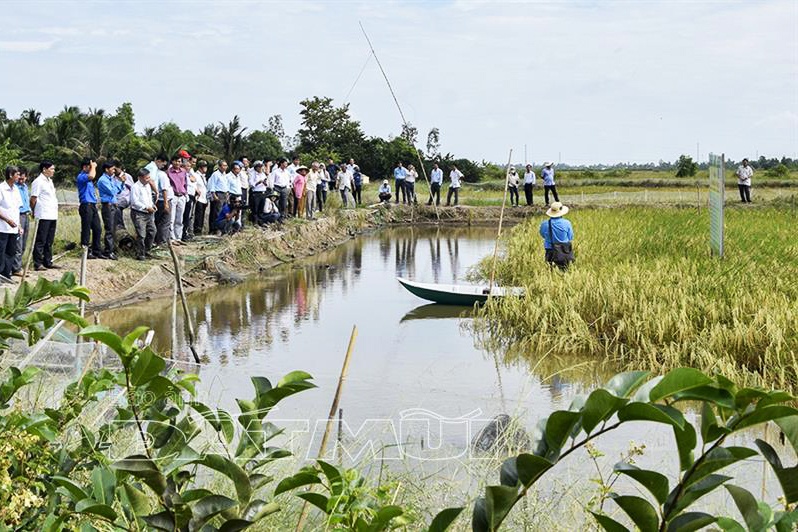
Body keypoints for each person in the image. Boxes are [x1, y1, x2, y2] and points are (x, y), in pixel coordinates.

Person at [30, 161, 59, 271]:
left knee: (49, 240)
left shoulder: (49, 181)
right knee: (41, 240)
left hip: (52, 214)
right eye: (51, 169)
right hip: (43, 214)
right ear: (44, 169)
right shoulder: (38, 182)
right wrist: (34, 211)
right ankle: (37, 263)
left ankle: (48, 261)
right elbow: (33, 199)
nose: (53, 171)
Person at [76, 158, 103, 259]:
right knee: (86, 229)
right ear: (84, 167)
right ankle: (85, 250)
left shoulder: (89, 180)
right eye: (89, 167)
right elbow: (91, 175)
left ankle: (96, 250)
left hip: (92, 205)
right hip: (85, 205)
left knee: (97, 228)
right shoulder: (81, 176)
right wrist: (94, 167)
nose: (92, 168)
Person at [97, 160, 123, 259]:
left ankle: (111, 249)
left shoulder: (112, 179)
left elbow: (119, 190)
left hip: (113, 205)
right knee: (109, 229)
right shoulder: (103, 180)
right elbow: (112, 192)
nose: (114, 171)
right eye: (112, 169)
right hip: (108, 205)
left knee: (113, 228)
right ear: (106, 169)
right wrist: (119, 182)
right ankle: (108, 251)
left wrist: (121, 182)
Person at [0, 166, 22, 281]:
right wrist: (7, 220)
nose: (19, 177)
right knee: (1, 251)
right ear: (10, 175)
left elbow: (16, 209)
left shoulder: (16, 189)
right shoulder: (1, 188)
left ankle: (6, 275)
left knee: (11, 251)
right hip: (2, 227)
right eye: (17, 174)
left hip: (13, 228)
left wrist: (19, 225)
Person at [130, 168, 157, 261]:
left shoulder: (148, 186)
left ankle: (147, 250)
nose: (149, 180)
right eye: (147, 178)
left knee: (152, 231)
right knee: (141, 234)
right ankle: (140, 253)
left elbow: (149, 198)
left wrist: (152, 205)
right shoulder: (135, 187)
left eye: (149, 177)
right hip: (139, 213)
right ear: (140, 178)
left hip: (148, 213)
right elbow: (134, 202)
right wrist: (146, 207)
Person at [539, 201, 574, 270]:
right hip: (564, 250)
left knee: (550, 269)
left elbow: (542, 235)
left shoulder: (544, 224)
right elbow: (570, 237)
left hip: (550, 249)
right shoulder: (566, 223)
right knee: (564, 269)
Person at [11, 167, 31, 275]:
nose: (21, 180)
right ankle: (16, 268)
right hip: (19, 215)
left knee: (24, 242)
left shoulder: (25, 187)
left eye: (23, 178)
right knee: (18, 242)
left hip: (26, 214)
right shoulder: (15, 187)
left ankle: (19, 265)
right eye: (20, 178)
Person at [167, 154, 188, 242]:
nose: (178, 163)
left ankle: (178, 237)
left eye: (179, 161)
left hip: (181, 196)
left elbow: (185, 183)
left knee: (179, 218)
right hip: (173, 196)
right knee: (172, 218)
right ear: (172, 161)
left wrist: (185, 193)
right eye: (176, 161)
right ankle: (172, 237)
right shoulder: (168, 172)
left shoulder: (183, 171)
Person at [207, 160, 228, 234]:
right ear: (219, 166)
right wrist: (214, 195)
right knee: (216, 212)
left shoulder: (225, 174)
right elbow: (212, 185)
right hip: (218, 193)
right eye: (223, 165)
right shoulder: (215, 174)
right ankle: (215, 229)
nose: (225, 167)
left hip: (224, 194)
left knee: (224, 212)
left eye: (226, 166)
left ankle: (222, 228)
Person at [113, 164, 134, 229]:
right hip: (116, 198)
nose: (114, 171)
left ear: (119, 167)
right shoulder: (112, 178)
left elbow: (132, 188)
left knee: (117, 206)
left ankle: (120, 227)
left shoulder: (127, 176)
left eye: (115, 169)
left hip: (125, 197)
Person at [193, 160, 209, 235]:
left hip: (204, 198)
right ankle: (197, 230)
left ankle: (200, 229)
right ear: (200, 167)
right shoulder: (196, 175)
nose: (205, 168)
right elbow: (194, 185)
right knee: (198, 216)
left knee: (202, 215)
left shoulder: (203, 176)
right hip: (199, 198)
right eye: (204, 166)